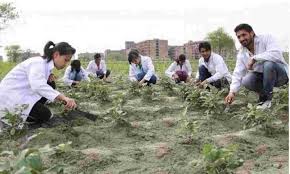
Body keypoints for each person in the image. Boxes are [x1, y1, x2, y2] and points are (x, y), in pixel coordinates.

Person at [0, 41, 77, 125]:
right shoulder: (38, 63)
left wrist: (48, 78)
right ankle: (28, 114)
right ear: (56, 55)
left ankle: (34, 108)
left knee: (51, 83)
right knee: (46, 115)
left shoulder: (45, 64)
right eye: (65, 60)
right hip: (12, 98)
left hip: (20, 94)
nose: (66, 64)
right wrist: (63, 98)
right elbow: (38, 86)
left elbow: (41, 83)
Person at [225, 24, 288, 109]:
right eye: (239, 37)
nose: (241, 39)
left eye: (244, 35)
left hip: (281, 76)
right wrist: (232, 92)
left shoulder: (266, 38)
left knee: (268, 64)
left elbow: (276, 54)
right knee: (246, 80)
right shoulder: (242, 53)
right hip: (264, 78)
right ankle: (263, 97)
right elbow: (238, 73)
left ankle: (267, 100)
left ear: (252, 33)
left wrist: (255, 58)